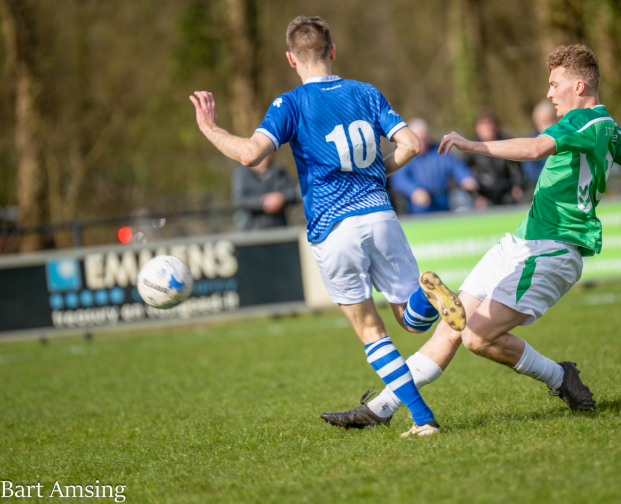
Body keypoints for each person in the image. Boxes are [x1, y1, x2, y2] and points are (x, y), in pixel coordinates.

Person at [324, 44, 621, 429]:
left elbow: (534, 148)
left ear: (579, 87)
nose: (549, 93)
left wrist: (472, 144)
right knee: (451, 326)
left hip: (553, 250)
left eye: (555, 84)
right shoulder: (611, 129)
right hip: (520, 243)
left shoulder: (581, 122)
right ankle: (380, 408)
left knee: (477, 336)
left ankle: (560, 377)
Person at [190, 16, 466, 437]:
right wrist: (377, 174)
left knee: (371, 330)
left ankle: (424, 419)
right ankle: (428, 298)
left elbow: (250, 154)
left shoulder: (290, 104)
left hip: (334, 227)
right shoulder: (366, 92)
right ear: (332, 51)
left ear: (290, 58)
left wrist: (210, 128)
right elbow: (411, 144)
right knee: (411, 322)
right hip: (380, 213)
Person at [388, 119, 479, 214]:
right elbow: (399, 179)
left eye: (424, 138)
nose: (421, 142)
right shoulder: (404, 155)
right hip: (417, 210)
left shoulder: (439, 151)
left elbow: (456, 167)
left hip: (443, 204)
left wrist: (466, 178)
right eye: (418, 138)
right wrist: (414, 190)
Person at [462, 109, 524, 208]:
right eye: (484, 125)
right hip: (484, 193)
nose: (488, 128)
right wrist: (475, 196)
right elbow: (464, 172)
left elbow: (518, 165)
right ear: (477, 128)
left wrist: (518, 186)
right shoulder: (472, 146)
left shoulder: (506, 142)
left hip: (506, 190)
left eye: (490, 124)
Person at [231, 153, 298, 230]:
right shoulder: (242, 173)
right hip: (252, 230)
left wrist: (281, 197)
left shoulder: (279, 171)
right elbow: (239, 199)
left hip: (279, 227)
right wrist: (263, 202)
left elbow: (294, 192)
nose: (264, 159)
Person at [521, 101, 558, 184]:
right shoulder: (530, 142)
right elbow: (531, 173)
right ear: (536, 123)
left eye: (551, 120)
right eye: (545, 121)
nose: (550, 124)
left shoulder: (561, 138)